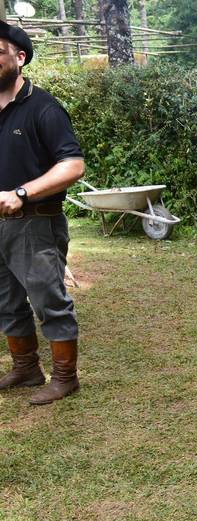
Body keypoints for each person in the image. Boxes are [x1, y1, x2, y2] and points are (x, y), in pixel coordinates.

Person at [0, 21, 85, 404]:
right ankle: (26, 369)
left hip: (34, 223)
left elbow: (73, 166)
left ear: (19, 58)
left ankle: (65, 377)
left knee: (49, 299)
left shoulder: (43, 107)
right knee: (5, 301)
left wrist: (22, 193)